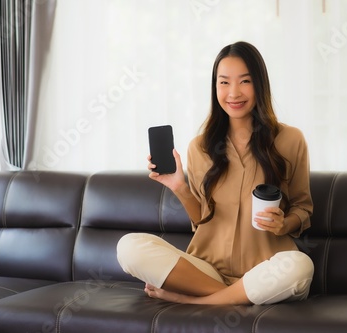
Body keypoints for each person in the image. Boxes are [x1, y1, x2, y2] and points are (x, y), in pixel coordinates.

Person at [117, 41, 314, 305]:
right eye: (224, 82)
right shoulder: (200, 147)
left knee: (300, 266)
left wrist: (283, 224)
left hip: (264, 269)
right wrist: (179, 187)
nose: (234, 93)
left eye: (244, 81)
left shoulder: (290, 139)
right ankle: (230, 297)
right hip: (207, 269)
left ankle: (194, 300)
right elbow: (201, 220)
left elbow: (303, 208)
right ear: (215, 87)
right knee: (129, 247)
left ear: (259, 84)